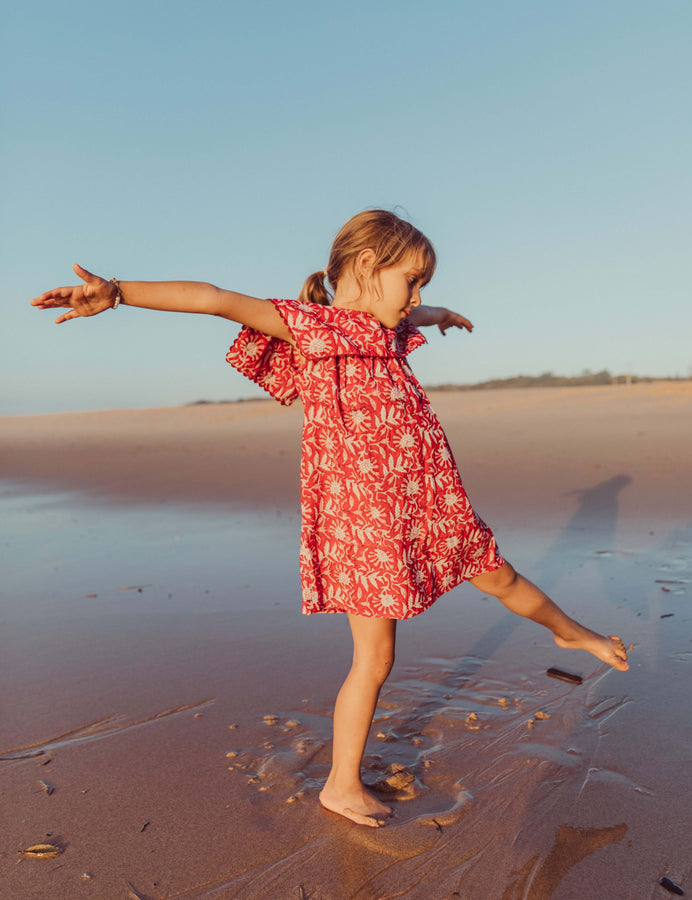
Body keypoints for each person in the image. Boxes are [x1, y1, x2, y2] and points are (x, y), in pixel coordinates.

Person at [31, 209, 628, 828]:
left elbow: (412, 314)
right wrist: (120, 294)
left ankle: (568, 631)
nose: (418, 296)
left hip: (428, 496)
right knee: (375, 658)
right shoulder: (312, 327)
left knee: (495, 572)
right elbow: (214, 300)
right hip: (366, 521)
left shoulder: (389, 327)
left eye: (424, 287)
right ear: (367, 267)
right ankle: (342, 784)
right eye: (413, 281)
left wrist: (439, 313)